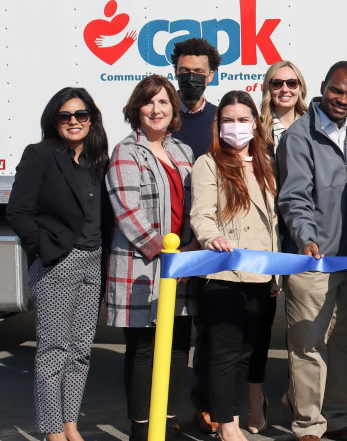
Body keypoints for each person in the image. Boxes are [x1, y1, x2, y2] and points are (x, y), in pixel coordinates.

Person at [6, 88, 112, 441]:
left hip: (94, 261)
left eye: (81, 115)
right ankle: (52, 432)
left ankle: (70, 426)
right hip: (58, 263)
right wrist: (42, 250)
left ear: (91, 119)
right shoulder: (40, 155)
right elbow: (18, 211)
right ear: (54, 120)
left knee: (81, 351)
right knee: (53, 351)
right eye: (65, 116)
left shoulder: (99, 160)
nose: (73, 122)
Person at [278, 61, 347, 441]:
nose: (344, 100)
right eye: (337, 91)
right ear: (322, 88)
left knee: (346, 344)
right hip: (312, 259)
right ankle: (307, 425)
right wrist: (306, 239)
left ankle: (336, 418)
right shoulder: (299, 136)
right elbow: (294, 197)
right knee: (308, 345)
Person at [105, 75, 197, 441]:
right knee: (144, 351)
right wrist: (168, 254)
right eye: (149, 102)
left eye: (164, 102)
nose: (156, 110)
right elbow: (128, 213)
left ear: (174, 109)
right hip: (143, 267)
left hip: (183, 265)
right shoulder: (126, 151)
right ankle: (142, 430)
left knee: (177, 348)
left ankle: (168, 421)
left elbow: (195, 206)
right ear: (136, 109)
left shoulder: (183, 152)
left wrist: (191, 252)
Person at [190, 90, 280, 441]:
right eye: (228, 120)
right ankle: (225, 424)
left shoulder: (265, 163)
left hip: (260, 272)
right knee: (223, 352)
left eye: (243, 120)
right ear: (218, 125)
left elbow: (272, 223)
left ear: (256, 124)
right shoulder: (208, 163)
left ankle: (236, 416)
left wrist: (274, 274)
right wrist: (212, 237)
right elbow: (202, 213)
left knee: (246, 351)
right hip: (224, 272)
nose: (236, 127)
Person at [248, 60, 309, 433]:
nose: (285, 89)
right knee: (261, 321)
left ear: (301, 86)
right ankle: (256, 398)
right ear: (267, 87)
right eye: (277, 83)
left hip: (304, 237)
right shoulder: (254, 130)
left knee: (304, 322)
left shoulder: (314, 126)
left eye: (291, 82)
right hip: (266, 236)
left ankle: (295, 393)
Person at [170, 36, 223, 434]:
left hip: (207, 243)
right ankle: (164, 410)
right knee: (171, 338)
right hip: (168, 246)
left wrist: (199, 240)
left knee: (209, 331)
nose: (190, 80)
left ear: (212, 75)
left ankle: (203, 405)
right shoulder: (160, 114)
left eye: (198, 74)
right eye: (184, 73)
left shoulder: (221, 122)